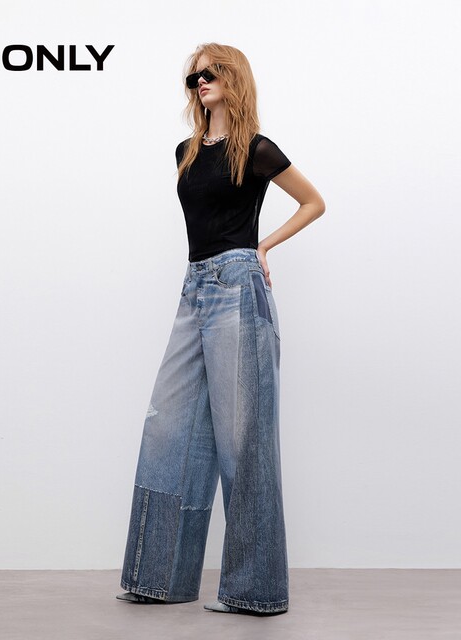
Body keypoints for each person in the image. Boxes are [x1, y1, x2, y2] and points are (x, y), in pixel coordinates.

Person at [116, 42, 326, 616]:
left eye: (208, 74)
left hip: (237, 286)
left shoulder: (255, 149)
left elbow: (313, 202)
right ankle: (159, 577)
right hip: (193, 290)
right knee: (167, 426)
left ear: (232, 78)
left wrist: (264, 246)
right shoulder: (185, 151)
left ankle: (255, 591)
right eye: (193, 78)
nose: (200, 83)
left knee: (244, 440)